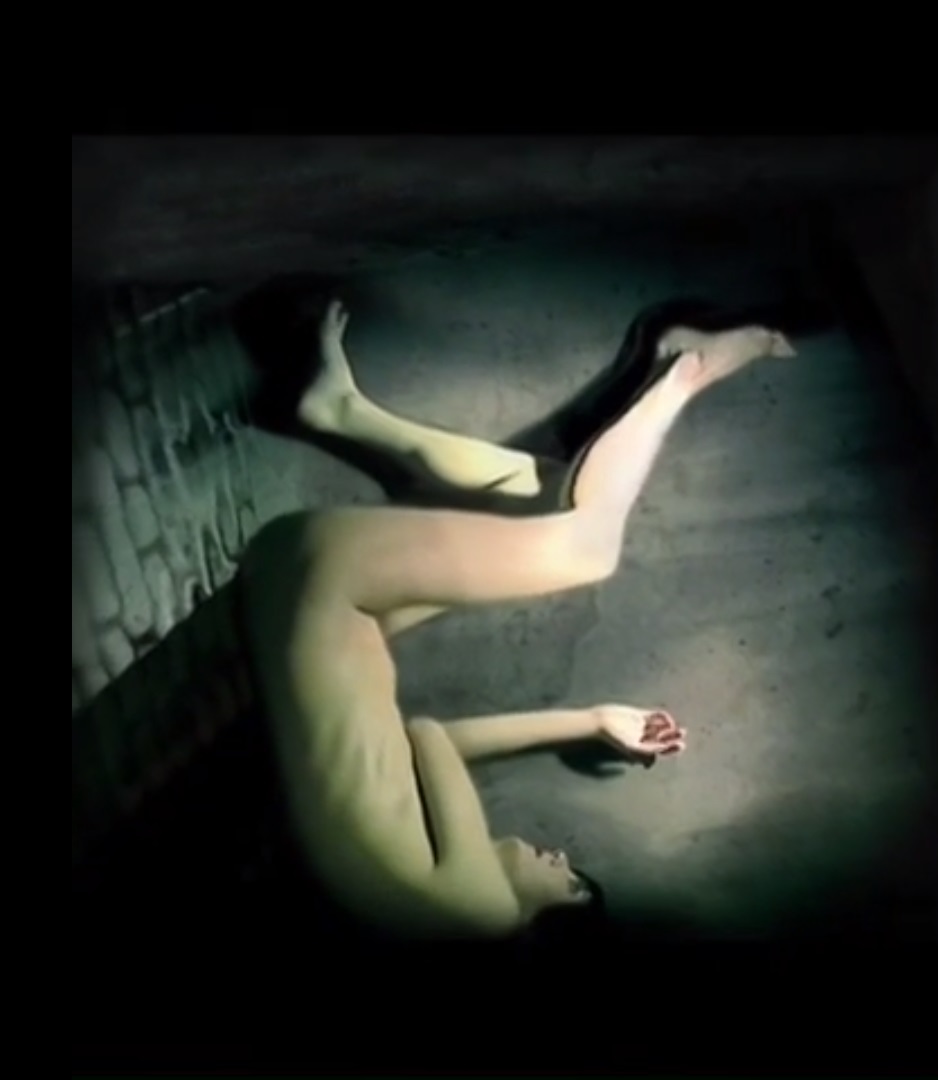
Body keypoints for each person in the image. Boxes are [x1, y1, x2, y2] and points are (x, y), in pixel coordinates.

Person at [236, 297, 798, 940]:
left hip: (319, 584)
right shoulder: (432, 908)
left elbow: (428, 737)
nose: (559, 859)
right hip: (302, 604)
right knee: (541, 495)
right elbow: (427, 743)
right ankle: (339, 409)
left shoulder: (484, 914)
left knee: (589, 549)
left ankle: (688, 369)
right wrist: (591, 721)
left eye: (570, 884)